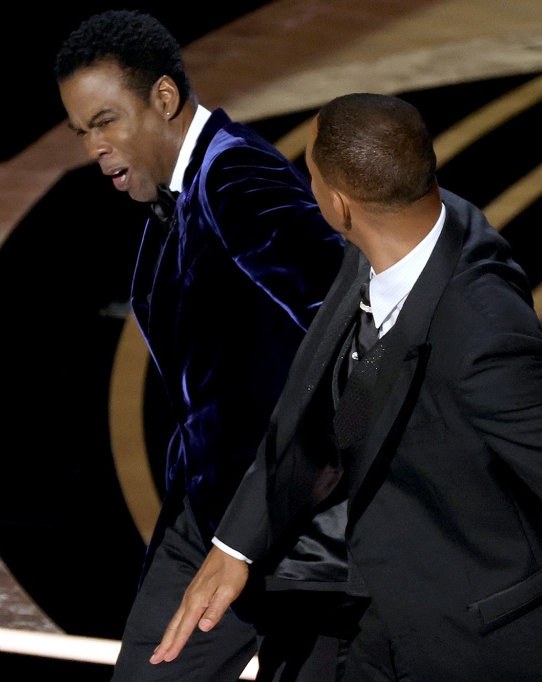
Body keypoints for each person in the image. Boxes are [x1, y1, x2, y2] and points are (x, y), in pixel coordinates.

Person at [150, 93, 542, 682]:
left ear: (338, 203)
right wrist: (237, 543)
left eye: (308, 171)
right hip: (377, 626)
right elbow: (325, 409)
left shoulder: (483, 336)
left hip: (491, 645)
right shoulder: (394, 236)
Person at [54, 10, 364, 681]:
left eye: (105, 121)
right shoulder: (180, 193)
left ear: (163, 98)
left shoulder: (234, 178)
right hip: (206, 516)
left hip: (285, 522)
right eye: (83, 132)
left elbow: (347, 307)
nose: (94, 148)